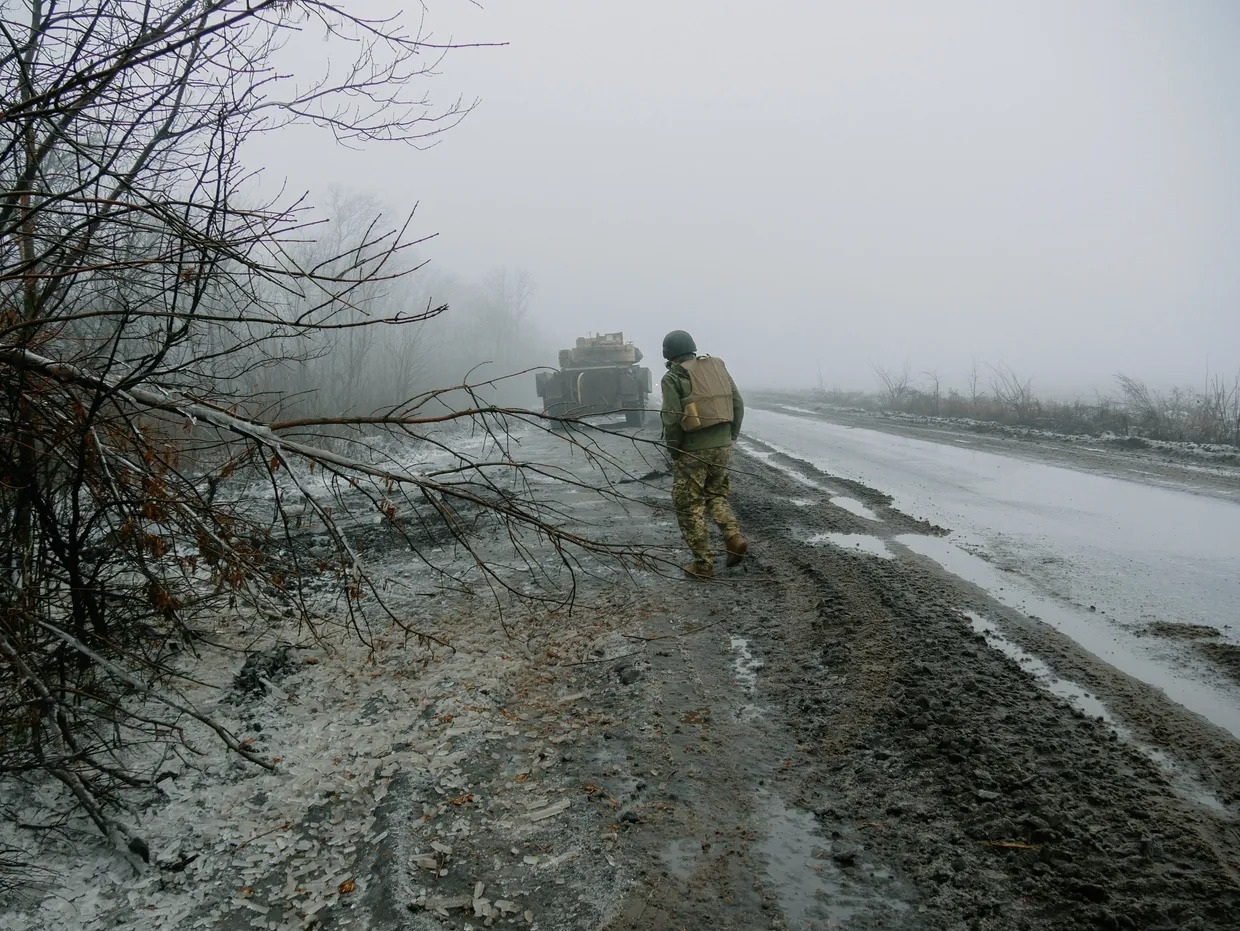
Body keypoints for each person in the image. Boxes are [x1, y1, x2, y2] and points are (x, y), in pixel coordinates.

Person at [659, 329, 748, 579]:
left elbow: (672, 417)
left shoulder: (673, 377)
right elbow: (738, 403)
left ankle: (703, 564)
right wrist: (731, 436)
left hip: (692, 449)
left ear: (669, 355)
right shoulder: (715, 368)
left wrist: (674, 449)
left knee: (689, 504)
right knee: (716, 494)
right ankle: (733, 537)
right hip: (722, 443)